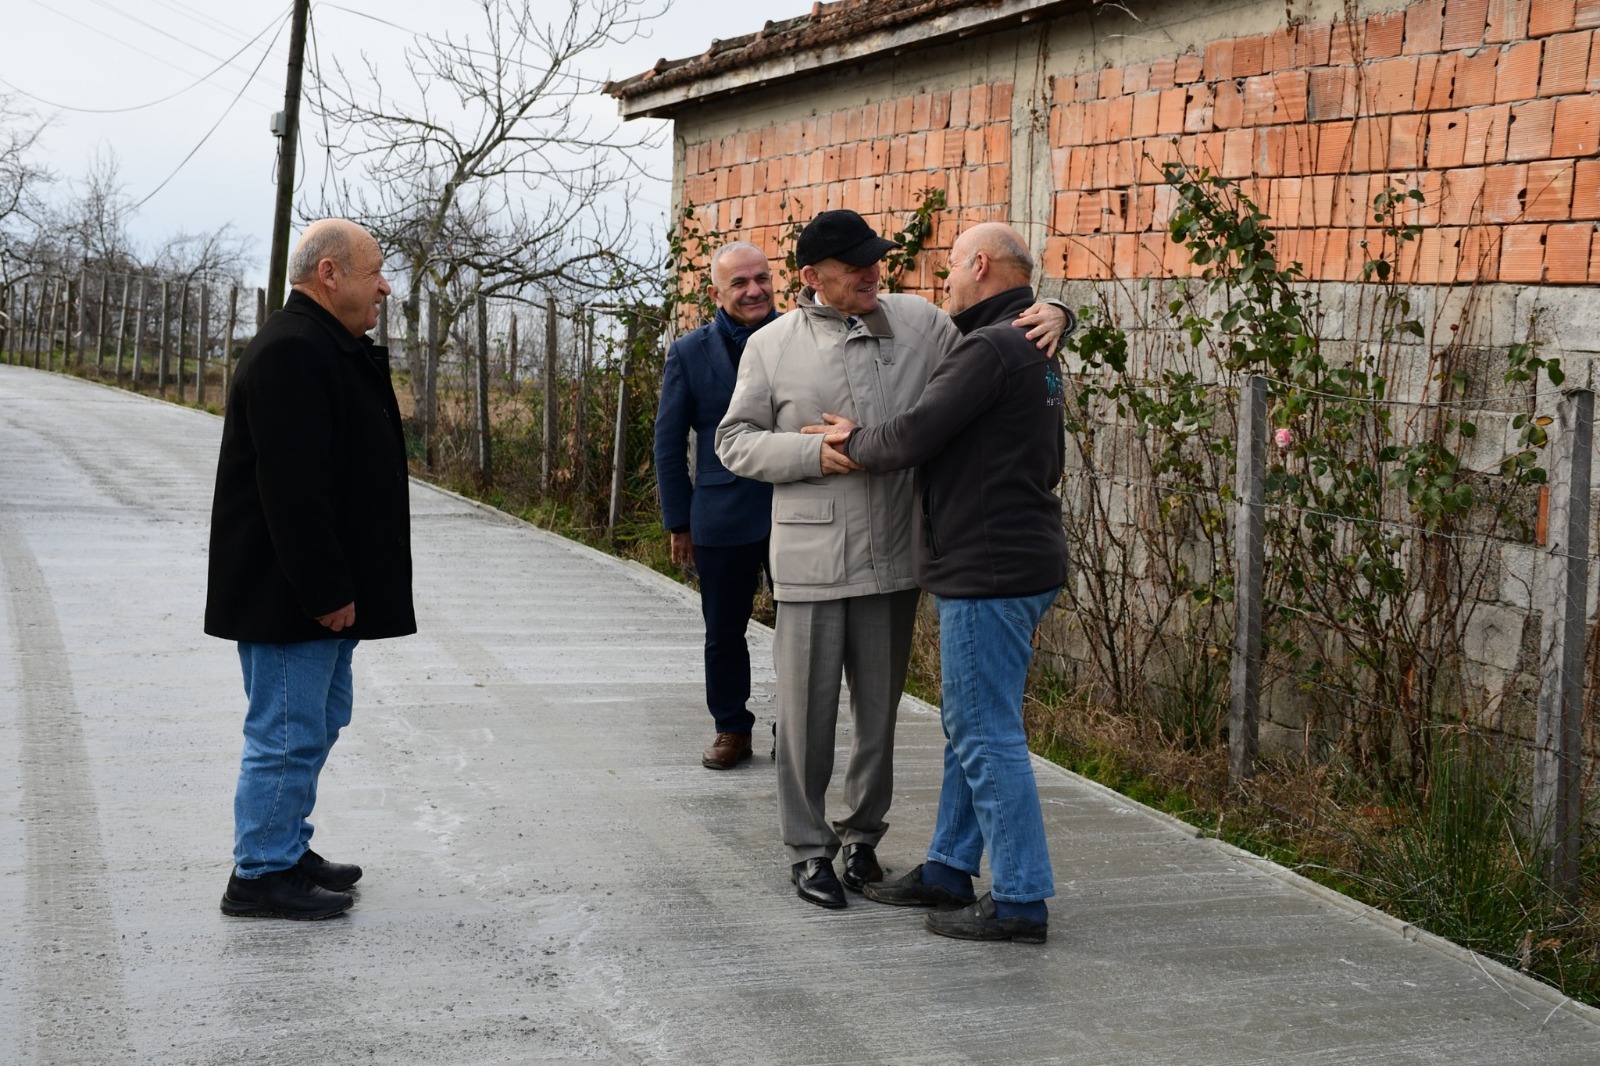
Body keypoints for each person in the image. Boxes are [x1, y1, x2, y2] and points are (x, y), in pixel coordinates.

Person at [715, 209, 1067, 910]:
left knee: (879, 717)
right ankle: (808, 849)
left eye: (878, 261)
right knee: (807, 718)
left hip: (896, 557)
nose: (876, 274)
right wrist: (813, 453)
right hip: (813, 558)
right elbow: (735, 442)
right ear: (814, 279)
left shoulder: (921, 324)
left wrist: (1057, 310)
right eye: (858, 268)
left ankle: (861, 838)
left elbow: (1000, 334)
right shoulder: (772, 346)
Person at [205, 218, 415, 921]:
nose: (384, 284)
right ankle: (259, 873)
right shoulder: (294, 351)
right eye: (375, 270)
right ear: (331, 273)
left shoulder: (326, 345)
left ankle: (283, 845)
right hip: (291, 595)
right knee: (286, 732)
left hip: (314, 593)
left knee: (314, 723)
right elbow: (291, 489)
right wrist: (325, 591)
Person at [653, 241, 778, 770]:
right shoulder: (688, 352)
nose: (754, 290)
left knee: (803, 630)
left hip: (794, 509)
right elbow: (667, 440)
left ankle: (797, 728)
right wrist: (679, 521)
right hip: (721, 516)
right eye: (740, 283)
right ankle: (731, 727)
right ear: (716, 293)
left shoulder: (798, 336)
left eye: (762, 278)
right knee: (724, 630)